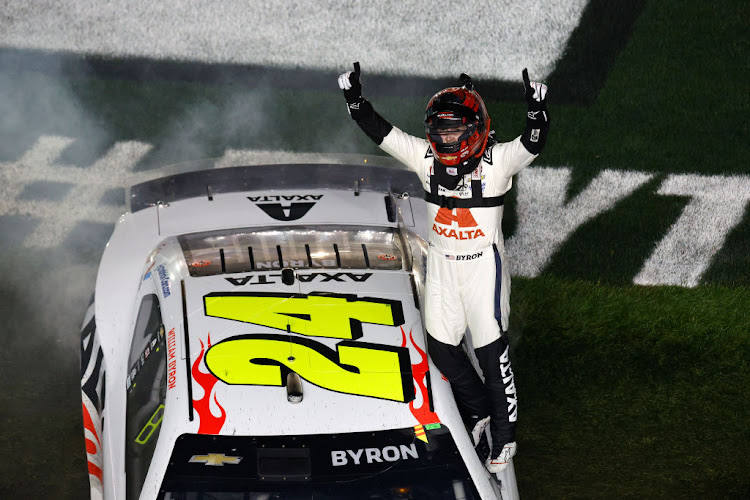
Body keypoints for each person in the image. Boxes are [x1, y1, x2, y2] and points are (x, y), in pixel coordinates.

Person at [337, 62, 549, 474]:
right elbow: (384, 135)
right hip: (442, 268)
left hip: (481, 269)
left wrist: (537, 113)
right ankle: (479, 412)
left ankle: (505, 438)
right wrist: (355, 101)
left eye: (455, 131)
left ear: (476, 129)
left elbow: (531, 145)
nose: (447, 139)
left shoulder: (497, 163)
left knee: (492, 354)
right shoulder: (426, 158)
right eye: (442, 131)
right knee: (441, 348)